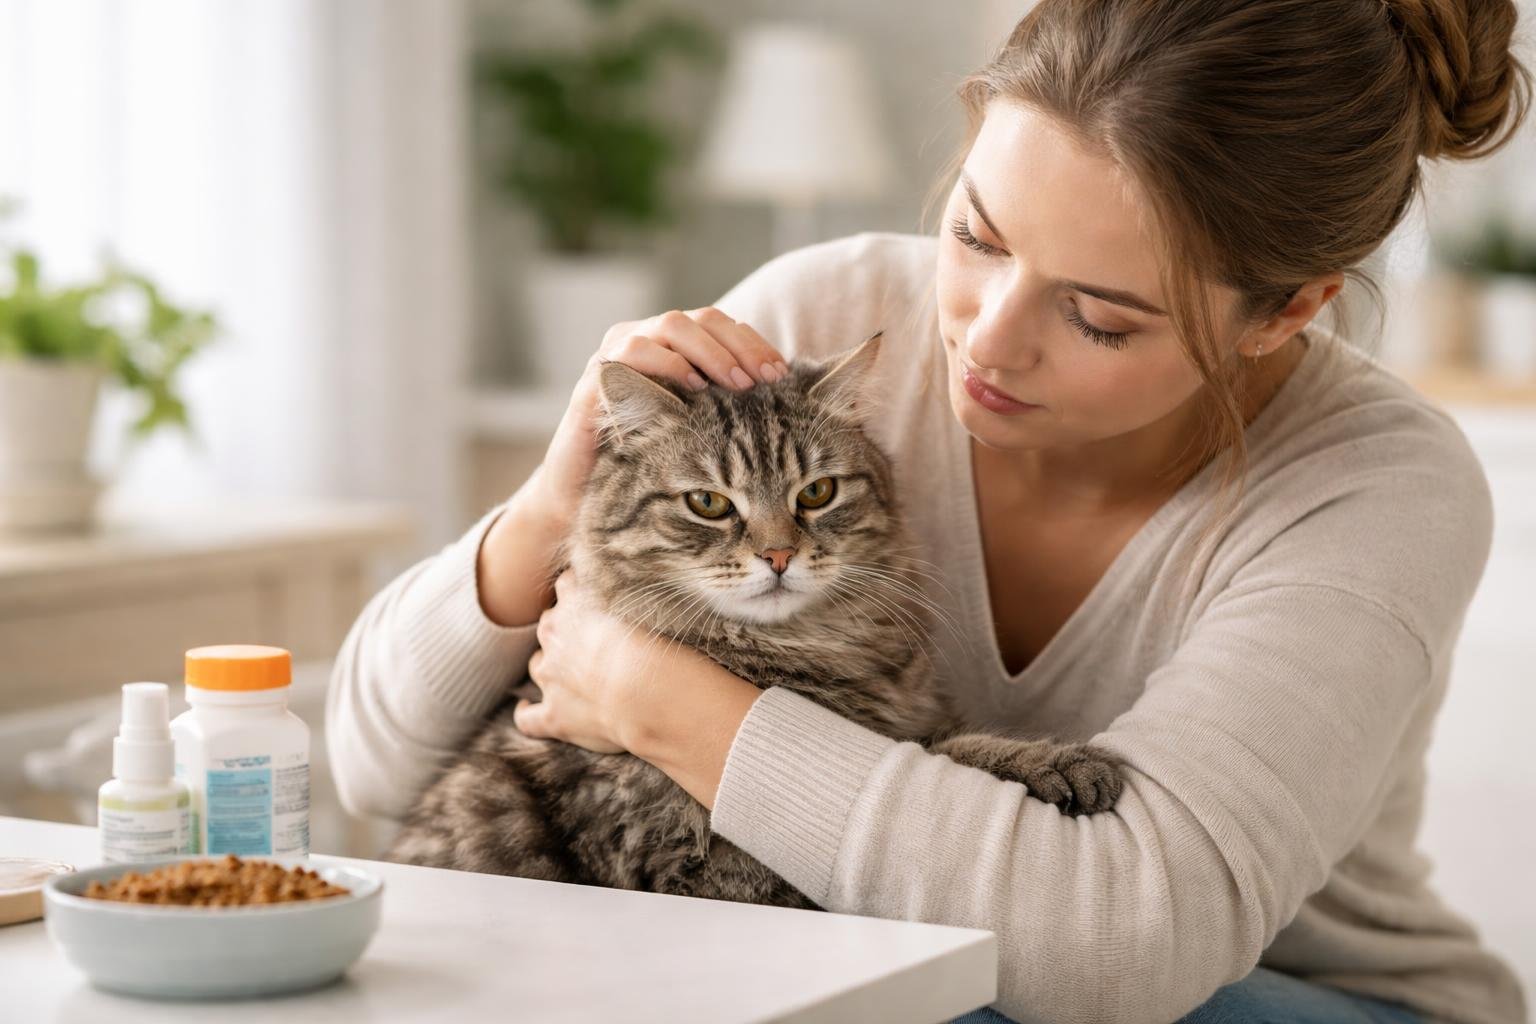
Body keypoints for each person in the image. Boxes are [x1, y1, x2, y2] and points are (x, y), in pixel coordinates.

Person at [325, 1, 1532, 1020]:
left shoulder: (1378, 481)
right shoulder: (829, 312)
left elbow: (1122, 944)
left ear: (1285, 313)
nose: (986, 341)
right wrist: (554, 499)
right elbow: (378, 767)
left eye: (1101, 316)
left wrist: (658, 700)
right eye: (975, 236)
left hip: (1306, 995)